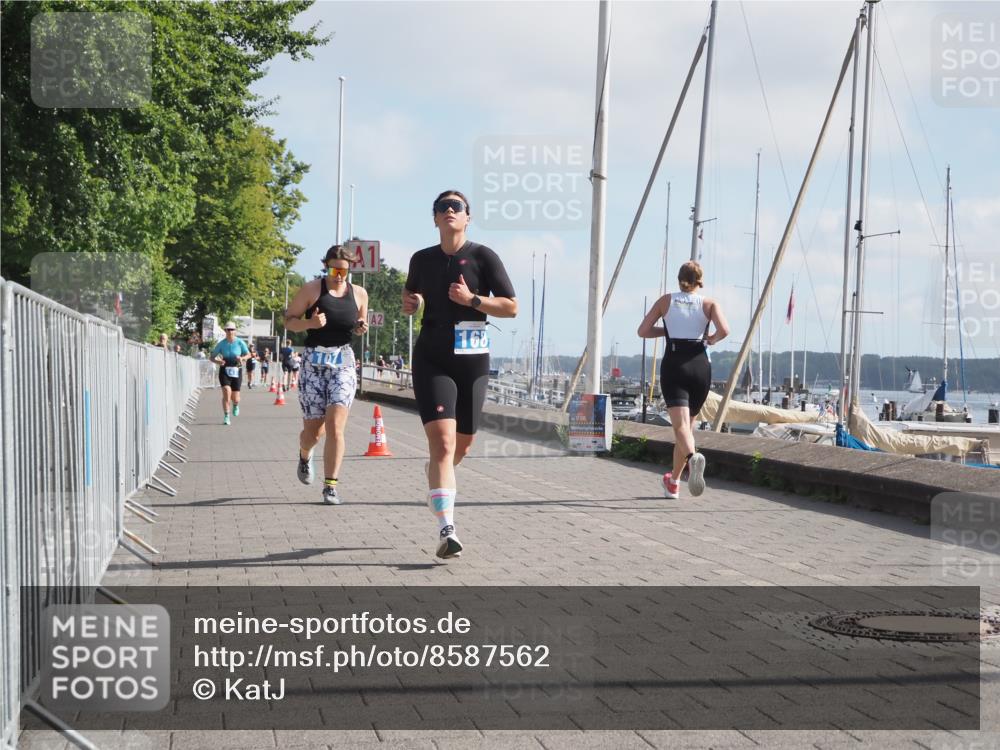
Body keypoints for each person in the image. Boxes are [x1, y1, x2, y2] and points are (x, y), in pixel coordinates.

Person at [402, 190, 517, 559]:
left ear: (468, 217)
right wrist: (412, 303)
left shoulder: (484, 257)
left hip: (471, 360)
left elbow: (511, 307)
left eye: (457, 207)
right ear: (435, 218)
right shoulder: (421, 259)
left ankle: (437, 478)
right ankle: (446, 528)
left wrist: (473, 301)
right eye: (443, 207)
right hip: (432, 357)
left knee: (461, 447)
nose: (450, 210)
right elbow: (410, 296)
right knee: (443, 444)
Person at [284, 245, 369, 504]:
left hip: (342, 362)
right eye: (334, 270)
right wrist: (309, 323)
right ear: (326, 267)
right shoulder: (312, 290)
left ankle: (330, 486)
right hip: (313, 363)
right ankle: (304, 453)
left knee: (335, 426)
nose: (339, 276)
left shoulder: (359, 294)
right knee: (313, 432)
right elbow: (288, 320)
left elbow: (359, 324)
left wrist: (360, 327)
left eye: (344, 271)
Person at [637, 260, 729, 500]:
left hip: (675, 364)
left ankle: (693, 458)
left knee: (680, 427)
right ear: (700, 281)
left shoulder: (665, 301)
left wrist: (666, 331)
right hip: (700, 366)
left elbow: (643, 331)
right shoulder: (709, 303)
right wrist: (712, 339)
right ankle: (674, 482)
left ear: (679, 279)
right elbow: (724, 330)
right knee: (687, 429)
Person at [211, 322, 251, 425]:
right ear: (225, 331)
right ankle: (226, 416)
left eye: (232, 329)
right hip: (224, 370)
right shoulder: (221, 344)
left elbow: (249, 355)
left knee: (236, 398)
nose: (230, 331)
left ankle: (236, 405)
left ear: (235, 331)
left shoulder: (240, 342)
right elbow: (212, 357)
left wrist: (242, 358)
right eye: (228, 330)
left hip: (237, 370)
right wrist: (219, 361)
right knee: (226, 392)